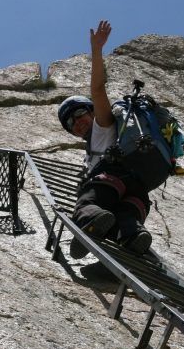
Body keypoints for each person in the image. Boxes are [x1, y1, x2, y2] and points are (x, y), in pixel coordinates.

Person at [57, 20, 153, 258]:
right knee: (124, 224)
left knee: (85, 206)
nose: (76, 122)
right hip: (138, 193)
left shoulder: (103, 125)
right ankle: (132, 235)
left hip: (111, 180)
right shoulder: (92, 147)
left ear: (91, 111)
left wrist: (97, 50)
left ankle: (89, 222)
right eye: (70, 123)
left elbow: (98, 91)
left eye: (79, 114)